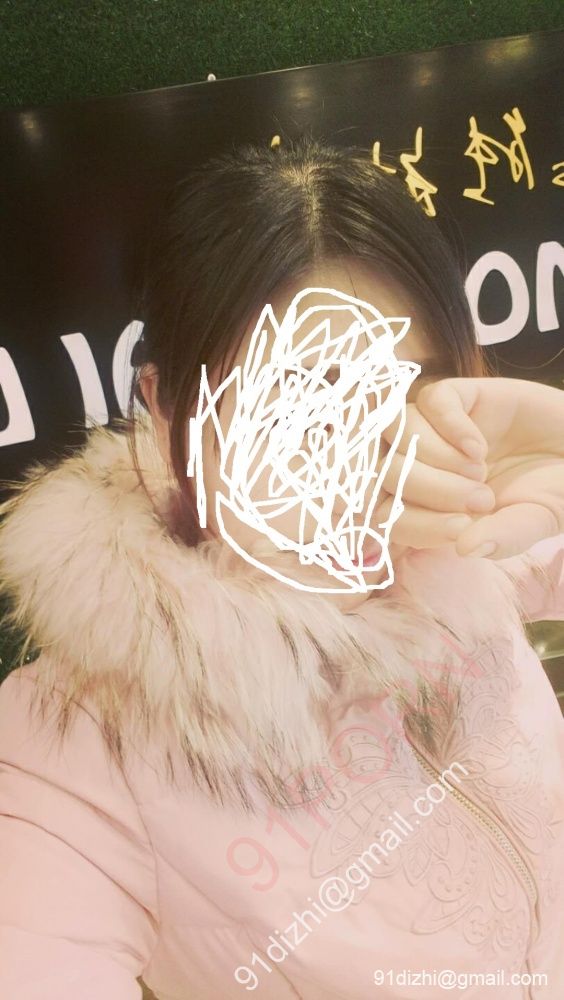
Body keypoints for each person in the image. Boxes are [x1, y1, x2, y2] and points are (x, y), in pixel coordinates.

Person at [0, 133, 563, 999]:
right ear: (167, 410)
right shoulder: (71, 751)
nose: (369, 467)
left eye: (408, 395)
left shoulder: (458, 553)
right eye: (302, 409)